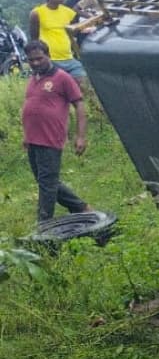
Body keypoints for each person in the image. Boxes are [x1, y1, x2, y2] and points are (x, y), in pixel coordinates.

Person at [20, 40, 90, 223]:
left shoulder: (62, 77)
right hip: (33, 139)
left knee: (47, 184)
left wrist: (80, 136)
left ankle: (44, 225)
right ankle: (81, 208)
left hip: (50, 138)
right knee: (46, 180)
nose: (35, 63)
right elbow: (32, 106)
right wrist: (26, 135)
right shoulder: (33, 78)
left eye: (39, 58)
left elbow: (79, 104)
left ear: (48, 55)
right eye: (31, 60)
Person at [28, 0, 84, 82]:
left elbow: (73, 33)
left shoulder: (68, 12)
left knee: (82, 81)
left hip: (69, 57)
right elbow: (34, 39)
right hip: (50, 59)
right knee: (54, 86)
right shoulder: (36, 13)